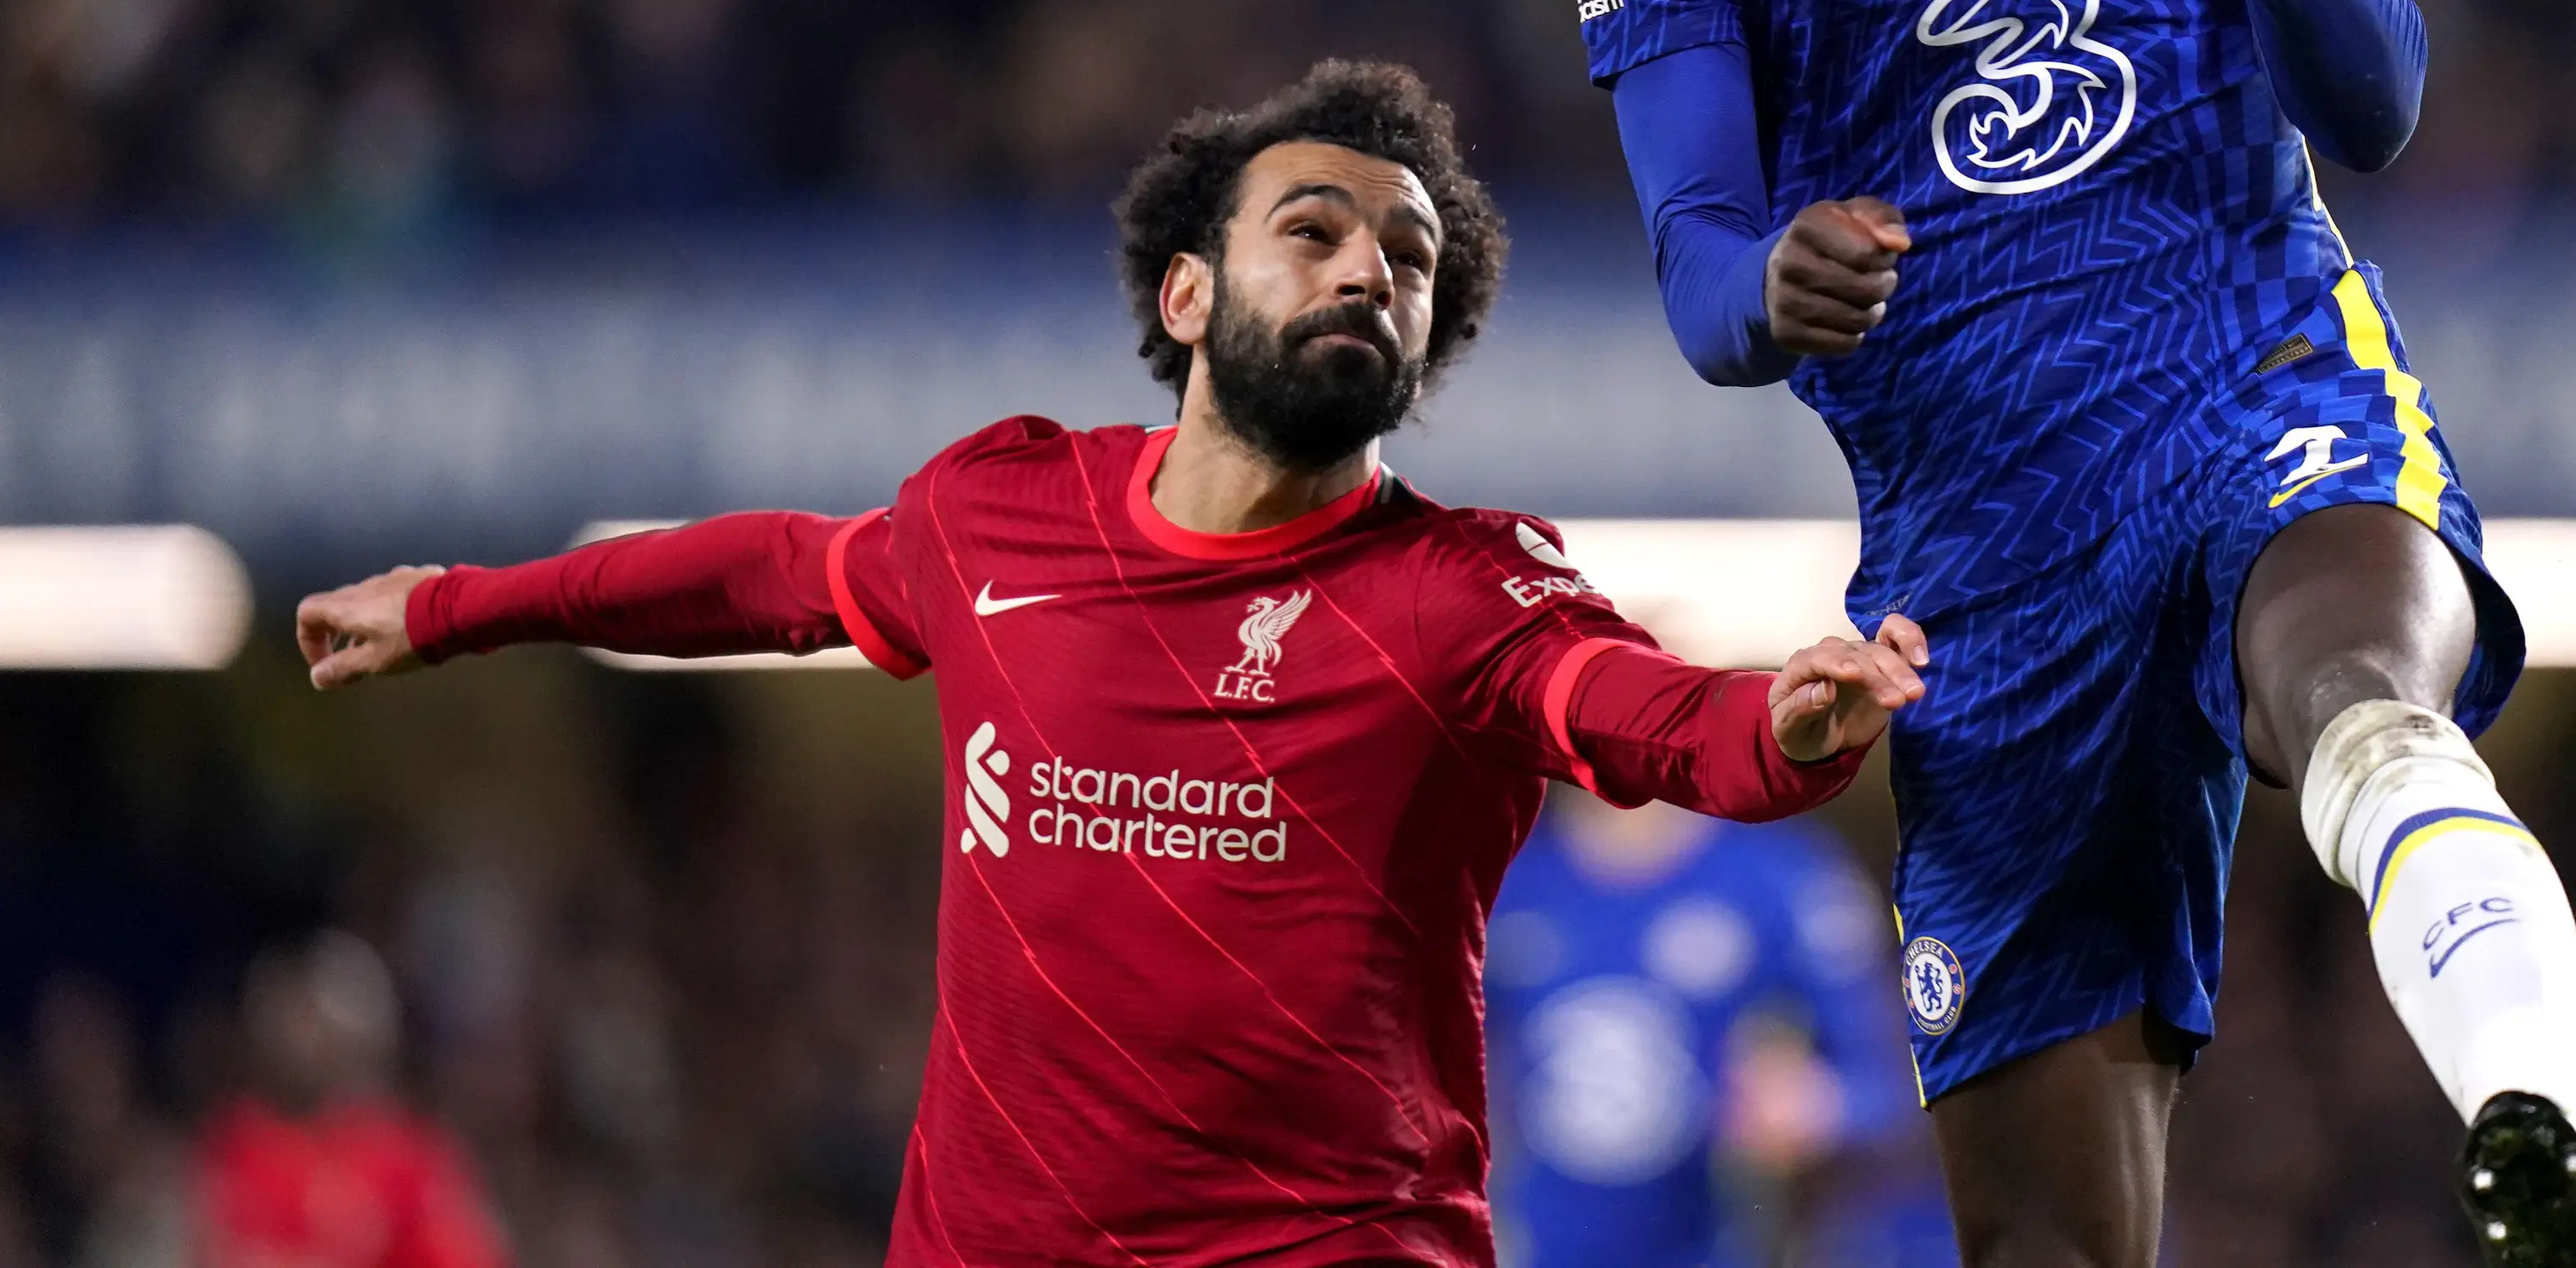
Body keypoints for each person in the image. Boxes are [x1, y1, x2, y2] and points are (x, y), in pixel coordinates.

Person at [1572, 0, 2576, 1266]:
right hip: (1976, 542)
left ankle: (2533, 1113)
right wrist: (1768, 284)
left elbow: (2375, 93)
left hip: (2251, 373)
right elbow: (1698, 266)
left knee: (2367, 705)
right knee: (2050, 1240)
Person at [295, 61, 1931, 1268]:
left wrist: (1793, 723)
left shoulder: (1462, 592)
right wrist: (461, 606)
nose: (1372, 267)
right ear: (1190, 287)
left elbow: (1652, 721)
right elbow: (778, 575)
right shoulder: (1004, 512)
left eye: (1414, 261)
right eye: (1318, 230)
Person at [1484, 789, 1954, 1268]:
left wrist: (1819, 1106)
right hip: (1532, 1245)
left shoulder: (1785, 875)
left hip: (1720, 1241)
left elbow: (1905, 1082)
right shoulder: (1497, 879)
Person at [196, 930, 509, 1268]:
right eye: (287, 1011)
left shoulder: (410, 1157)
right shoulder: (233, 1139)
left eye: (313, 1016)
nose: (296, 1033)